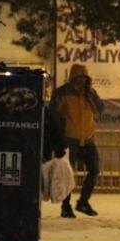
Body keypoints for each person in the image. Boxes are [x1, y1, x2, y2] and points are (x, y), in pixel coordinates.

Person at [49, 63, 104, 218]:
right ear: (72, 78)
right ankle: (65, 206)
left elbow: (100, 109)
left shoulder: (89, 93)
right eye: (78, 78)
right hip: (69, 139)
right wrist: (60, 134)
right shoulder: (62, 92)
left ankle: (83, 202)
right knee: (67, 174)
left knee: (94, 169)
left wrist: (90, 94)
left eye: (84, 79)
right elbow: (53, 114)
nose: (81, 82)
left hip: (87, 138)